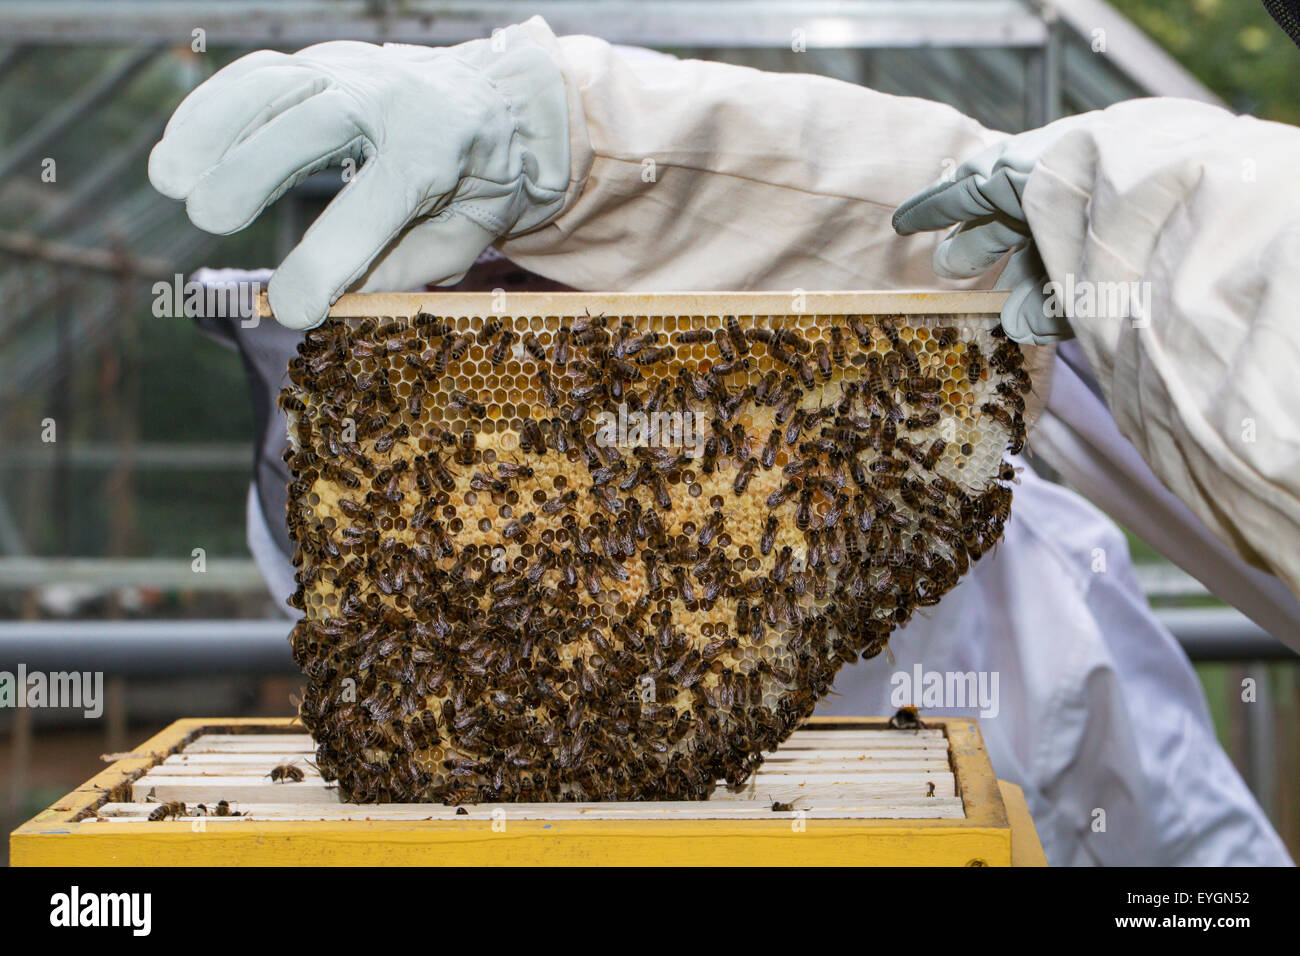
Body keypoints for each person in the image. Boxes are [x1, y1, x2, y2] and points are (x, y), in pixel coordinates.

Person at [152, 18, 1296, 864]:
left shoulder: (1023, 574)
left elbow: (1191, 853)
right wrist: (581, 136)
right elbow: (997, 209)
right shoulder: (426, 568)